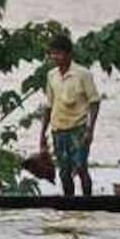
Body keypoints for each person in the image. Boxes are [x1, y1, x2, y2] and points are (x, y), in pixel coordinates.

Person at [38, 35, 100, 197]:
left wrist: (90, 129)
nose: (55, 57)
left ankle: (88, 202)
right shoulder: (51, 75)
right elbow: (49, 105)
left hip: (78, 129)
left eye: (59, 53)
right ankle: (69, 204)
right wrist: (42, 134)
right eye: (52, 54)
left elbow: (94, 102)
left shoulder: (83, 74)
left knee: (80, 167)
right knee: (64, 172)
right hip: (58, 129)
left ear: (69, 55)